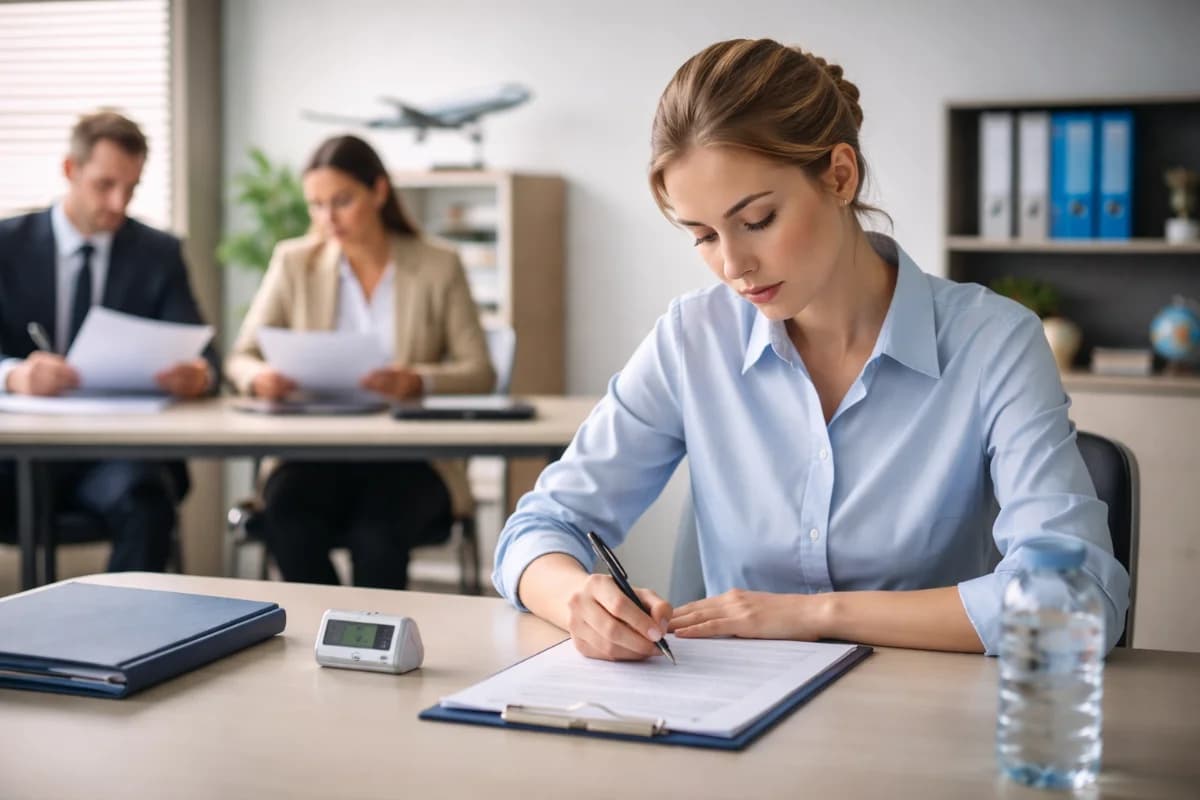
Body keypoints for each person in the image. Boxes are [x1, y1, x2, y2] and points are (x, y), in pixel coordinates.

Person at [492, 39, 1130, 659]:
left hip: (924, 725)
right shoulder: (693, 338)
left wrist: (812, 616)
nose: (733, 266)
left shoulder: (995, 344)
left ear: (840, 175)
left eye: (758, 220)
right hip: (727, 721)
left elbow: (1076, 598)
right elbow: (538, 529)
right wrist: (578, 597)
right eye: (703, 236)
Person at [226, 135, 495, 589]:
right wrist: (259, 379)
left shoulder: (438, 265)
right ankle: (321, 638)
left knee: (378, 534)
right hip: (312, 453)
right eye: (315, 205)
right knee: (288, 520)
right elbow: (241, 356)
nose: (327, 219)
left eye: (342, 201)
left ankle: (371, 645)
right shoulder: (294, 262)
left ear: (379, 191)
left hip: (410, 460)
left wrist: (416, 381)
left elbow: (479, 371)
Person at [0, 110, 220, 571]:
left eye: (131, 188)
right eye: (105, 185)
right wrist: (14, 374)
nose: (119, 203)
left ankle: (124, 638)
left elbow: (206, 359)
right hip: (14, 460)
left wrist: (196, 376)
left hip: (114, 459)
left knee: (147, 499)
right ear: (70, 170)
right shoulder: (7, 245)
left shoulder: (158, 253)